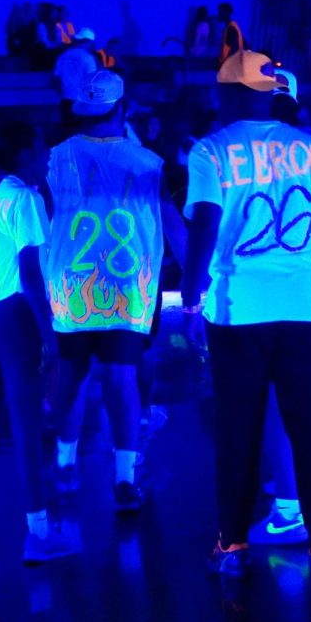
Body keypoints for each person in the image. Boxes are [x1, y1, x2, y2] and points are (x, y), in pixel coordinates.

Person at [181, 50, 311, 585]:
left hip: (239, 311)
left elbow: (204, 227)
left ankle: (232, 543)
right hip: (307, 308)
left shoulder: (210, 152)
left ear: (230, 95)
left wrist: (190, 301)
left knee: (239, 427)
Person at [45, 71, 183, 513]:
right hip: (127, 290)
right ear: (122, 109)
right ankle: (124, 478)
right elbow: (174, 224)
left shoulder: (52, 159)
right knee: (122, 380)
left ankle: (64, 464)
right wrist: (201, 282)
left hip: (69, 289)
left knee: (71, 375)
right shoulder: (147, 163)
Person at [0, 121, 75, 565]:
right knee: (26, 428)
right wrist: (50, 337)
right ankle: (39, 534)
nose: (47, 157)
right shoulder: (24, 198)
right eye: (42, 148)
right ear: (24, 153)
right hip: (10, 317)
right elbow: (29, 273)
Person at [52, 28, 99, 122]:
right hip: (82, 101)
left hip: (65, 99)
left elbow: (56, 78)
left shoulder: (63, 56)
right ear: (88, 42)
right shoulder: (88, 58)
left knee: (66, 131)